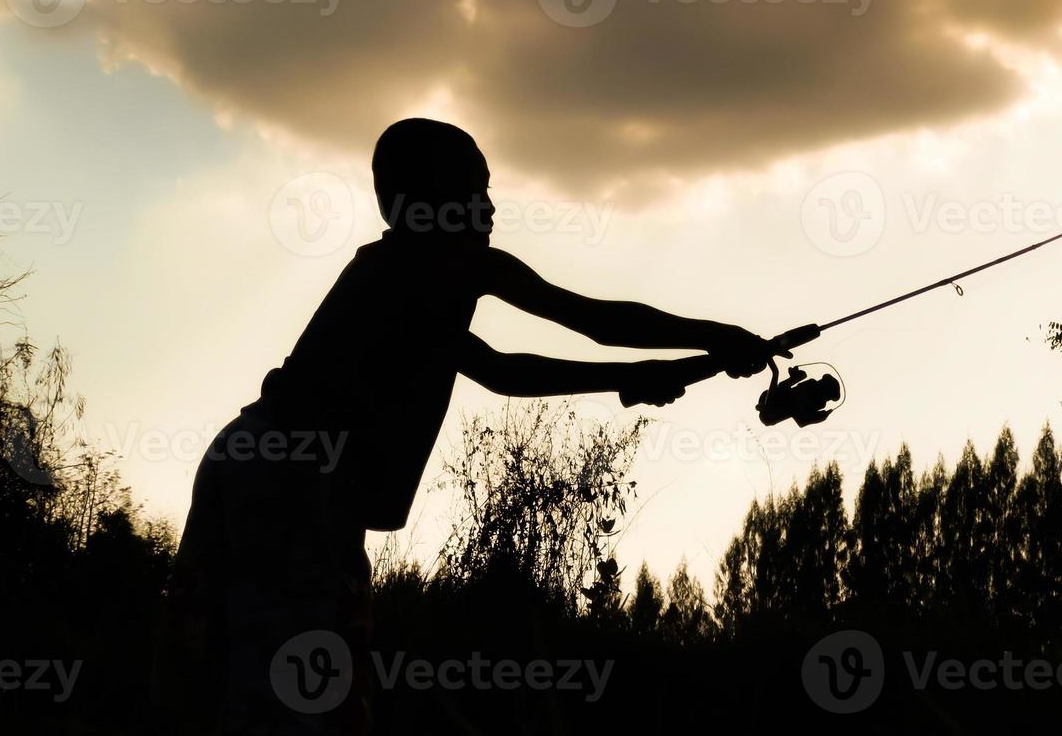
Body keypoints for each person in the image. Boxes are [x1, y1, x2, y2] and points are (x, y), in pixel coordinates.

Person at [153, 118, 773, 734]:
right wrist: (716, 338)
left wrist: (627, 378)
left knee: (220, 675)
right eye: (475, 190)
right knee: (308, 691)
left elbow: (503, 370)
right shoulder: (448, 265)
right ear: (432, 201)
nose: (491, 207)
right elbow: (593, 322)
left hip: (247, 457)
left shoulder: (401, 280)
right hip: (299, 480)